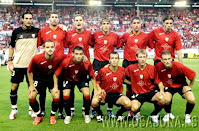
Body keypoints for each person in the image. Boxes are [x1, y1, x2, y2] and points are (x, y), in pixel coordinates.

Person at [148, 15, 183, 120]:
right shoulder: (155, 32)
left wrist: (180, 64)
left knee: (169, 88)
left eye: (170, 23)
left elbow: (179, 50)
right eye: (167, 23)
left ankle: (168, 112)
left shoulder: (175, 35)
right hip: (158, 63)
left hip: (169, 64)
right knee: (158, 88)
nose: (168, 25)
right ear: (163, 23)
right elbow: (146, 39)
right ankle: (157, 112)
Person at [8, 11, 40, 120]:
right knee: (14, 87)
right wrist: (9, 60)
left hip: (31, 66)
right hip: (18, 65)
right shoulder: (16, 32)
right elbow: (12, 47)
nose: (29, 20)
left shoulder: (37, 31)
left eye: (30, 18)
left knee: (31, 88)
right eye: (26, 18)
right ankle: (14, 109)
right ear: (22, 19)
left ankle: (31, 109)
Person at [54, 46, 97, 124]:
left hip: (81, 79)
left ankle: (86, 114)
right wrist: (55, 87)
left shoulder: (86, 63)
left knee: (87, 93)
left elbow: (92, 76)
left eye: (80, 54)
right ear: (72, 54)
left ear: (83, 54)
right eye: (76, 54)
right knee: (65, 95)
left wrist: (96, 89)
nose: (78, 56)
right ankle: (68, 115)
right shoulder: (66, 62)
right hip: (69, 79)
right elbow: (56, 74)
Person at [28, 40, 65, 125]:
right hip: (39, 78)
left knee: (56, 95)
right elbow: (29, 71)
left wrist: (84, 57)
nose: (50, 49)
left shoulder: (59, 56)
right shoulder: (36, 58)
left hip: (51, 78)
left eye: (52, 47)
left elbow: (70, 56)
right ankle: (38, 116)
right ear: (44, 48)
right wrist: (31, 86)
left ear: (55, 48)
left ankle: (52, 115)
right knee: (31, 95)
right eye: (47, 47)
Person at [37, 12, 67, 119]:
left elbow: (67, 44)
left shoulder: (63, 31)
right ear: (49, 19)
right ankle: (42, 110)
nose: (54, 19)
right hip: (46, 65)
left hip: (59, 65)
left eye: (56, 17)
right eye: (52, 17)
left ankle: (60, 112)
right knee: (42, 91)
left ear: (58, 19)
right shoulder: (42, 31)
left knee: (60, 90)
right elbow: (40, 45)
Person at [91, 18, 122, 118]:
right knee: (96, 85)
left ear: (110, 25)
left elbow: (120, 44)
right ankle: (94, 109)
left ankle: (109, 110)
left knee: (110, 85)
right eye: (103, 23)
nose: (105, 25)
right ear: (101, 25)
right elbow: (91, 43)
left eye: (107, 23)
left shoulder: (115, 36)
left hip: (109, 63)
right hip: (97, 63)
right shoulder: (95, 35)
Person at [125, 49, 166, 124]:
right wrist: (132, 83)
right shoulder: (131, 68)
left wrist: (162, 91)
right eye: (140, 57)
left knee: (163, 98)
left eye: (144, 57)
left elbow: (159, 82)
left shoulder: (152, 68)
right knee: (134, 108)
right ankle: (137, 113)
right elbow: (121, 77)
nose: (142, 59)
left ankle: (154, 115)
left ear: (147, 57)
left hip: (150, 92)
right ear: (136, 58)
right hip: (138, 94)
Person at [120, 17, 150, 117]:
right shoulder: (126, 34)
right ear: (131, 24)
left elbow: (150, 46)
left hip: (139, 63)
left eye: (138, 23)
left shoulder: (145, 36)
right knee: (129, 87)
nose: (136, 25)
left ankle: (135, 109)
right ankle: (130, 110)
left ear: (141, 24)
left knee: (138, 87)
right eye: (134, 23)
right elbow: (120, 44)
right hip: (127, 63)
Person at [156, 50, 196, 124]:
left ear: (171, 59)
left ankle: (187, 115)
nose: (167, 61)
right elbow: (156, 77)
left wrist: (189, 86)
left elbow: (193, 74)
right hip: (169, 87)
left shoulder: (179, 66)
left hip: (181, 85)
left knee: (192, 99)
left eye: (169, 59)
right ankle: (168, 114)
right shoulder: (158, 66)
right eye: (165, 59)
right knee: (166, 99)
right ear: (161, 60)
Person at [91, 52, 131, 122]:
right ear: (109, 60)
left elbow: (124, 79)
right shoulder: (103, 70)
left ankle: (119, 114)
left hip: (117, 95)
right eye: (112, 58)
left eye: (116, 58)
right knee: (94, 102)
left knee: (129, 104)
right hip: (105, 94)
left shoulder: (122, 70)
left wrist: (133, 83)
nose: (114, 60)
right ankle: (100, 114)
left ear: (118, 60)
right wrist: (99, 90)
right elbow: (97, 81)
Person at [65, 14, 93, 116]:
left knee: (85, 89)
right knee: (70, 88)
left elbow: (94, 44)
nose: (78, 22)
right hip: (71, 66)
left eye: (80, 20)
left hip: (84, 67)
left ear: (83, 22)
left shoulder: (89, 34)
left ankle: (84, 108)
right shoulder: (69, 34)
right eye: (76, 20)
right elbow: (65, 46)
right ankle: (71, 108)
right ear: (74, 23)